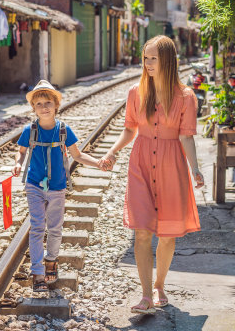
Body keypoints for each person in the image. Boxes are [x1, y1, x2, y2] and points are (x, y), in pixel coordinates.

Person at [100, 35, 204, 314]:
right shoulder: (136, 92)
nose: (147, 63)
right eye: (145, 58)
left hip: (173, 167)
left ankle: (159, 285)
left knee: (167, 235)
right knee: (142, 233)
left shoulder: (185, 97)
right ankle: (146, 295)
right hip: (141, 166)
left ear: (168, 60)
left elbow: (187, 137)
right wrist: (112, 152)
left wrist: (195, 169)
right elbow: (129, 129)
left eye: (153, 58)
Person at [12, 80, 104, 292]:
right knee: (36, 228)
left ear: (56, 106)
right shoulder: (30, 130)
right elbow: (22, 151)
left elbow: (77, 155)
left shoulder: (63, 130)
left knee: (54, 228)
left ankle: (51, 260)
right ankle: (37, 272)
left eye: (48, 103)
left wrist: (98, 163)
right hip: (34, 184)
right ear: (33, 108)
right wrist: (17, 164)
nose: (44, 107)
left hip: (57, 186)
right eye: (39, 104)